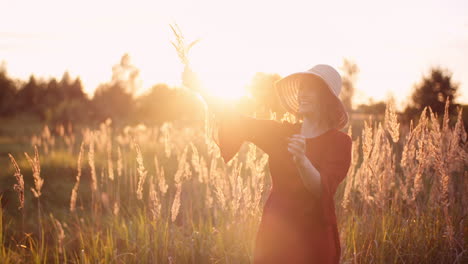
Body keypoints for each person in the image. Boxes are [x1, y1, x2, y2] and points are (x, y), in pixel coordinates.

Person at [202, 64, 352, 264]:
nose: (302, 94)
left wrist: (301, 160)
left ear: (326, 99)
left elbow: (322, 188)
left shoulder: (339, 143)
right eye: (301, 88)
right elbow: (239, 121)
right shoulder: (282, 133)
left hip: (312, 236)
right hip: (276, 230)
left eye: (311, 89)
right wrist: (200, 89)